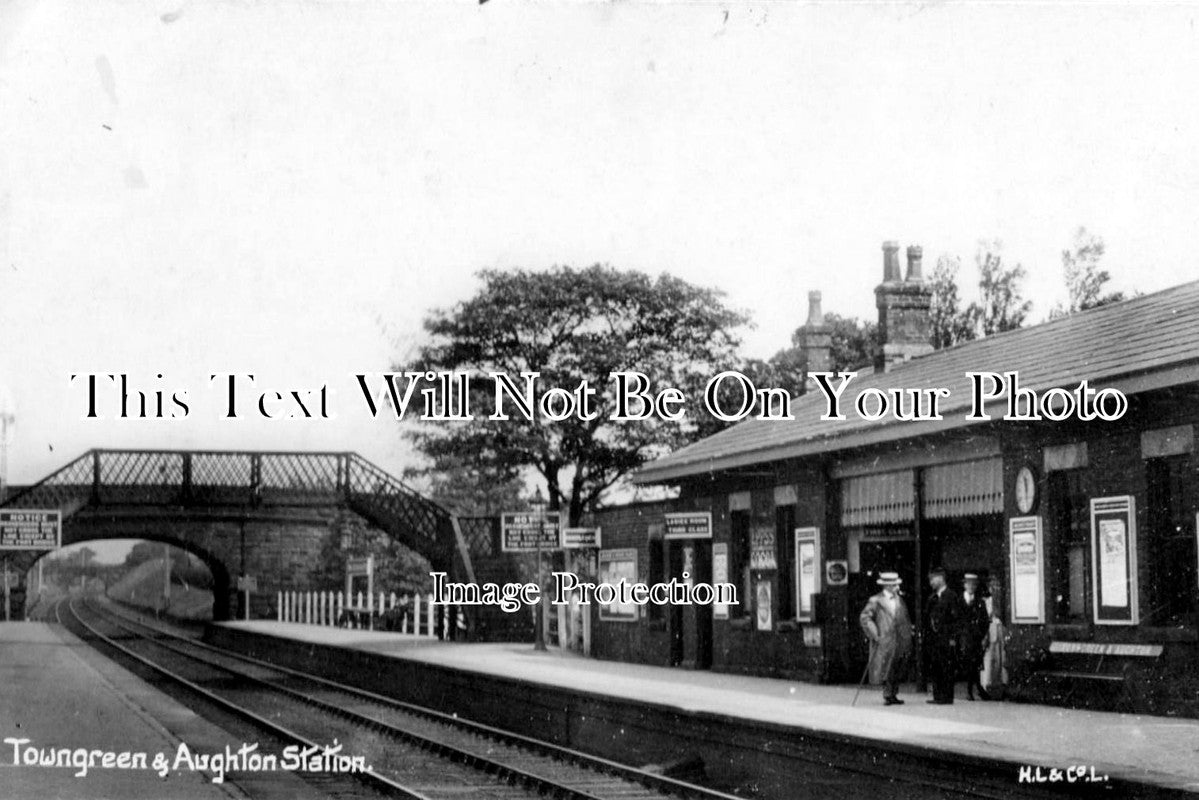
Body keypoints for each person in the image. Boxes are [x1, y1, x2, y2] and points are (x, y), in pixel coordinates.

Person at [858, 571, 914, 706]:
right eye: (894, 585)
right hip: (885, 640)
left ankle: (893, 694)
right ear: (887, 586)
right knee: (886, 669)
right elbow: (865, 618)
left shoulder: (900, 600)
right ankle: (888, 694)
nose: (897, 587)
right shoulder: (875, 600)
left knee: (897, 668)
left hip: (900, 639)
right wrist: (874, 633)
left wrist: (908, 635)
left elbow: (904, 618)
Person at [924, 566, 960, 704]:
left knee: (946, 667)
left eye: (933, 579)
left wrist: (953, 638)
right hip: (934, 640)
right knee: (936, 667)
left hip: (946, 638)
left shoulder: (951, 596)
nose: (931, 582)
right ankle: (937, 696)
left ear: (941, 578)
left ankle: (947, 696)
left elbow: (956, 619)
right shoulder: (932, 597)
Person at [959, 573, 991, 701]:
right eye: (968, 584)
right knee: (969, 663)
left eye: (973, 585)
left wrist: (982, 635)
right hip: (964, 637)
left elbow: (984, 620)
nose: (971, 587)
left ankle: (974, 690)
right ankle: (974, 689)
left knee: (975, 663)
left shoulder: (980, 602)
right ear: (964, 585)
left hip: (976, 637)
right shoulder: (959, 600)